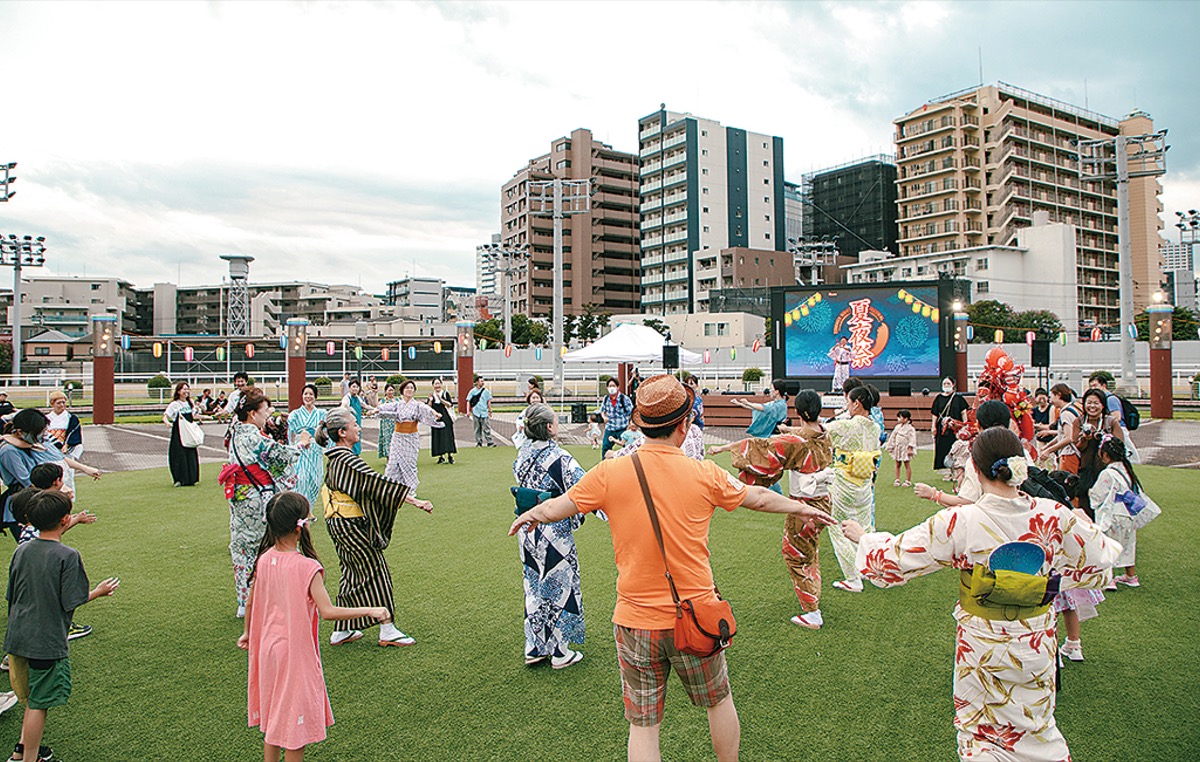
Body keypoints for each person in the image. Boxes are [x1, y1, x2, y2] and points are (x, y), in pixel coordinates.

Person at [509, 374, 836, 762]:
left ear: (640, 425)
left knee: (644, 725)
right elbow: (760, 498)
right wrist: (803, 506)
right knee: (718, 702)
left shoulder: (609, 473)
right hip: (695, 615)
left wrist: (529, 514)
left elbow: (555, 507)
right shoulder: (703, 474)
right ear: (684, 425)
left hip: (633, 621)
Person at [842, 427, 1121, 761]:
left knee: (980, 733)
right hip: (1036, 641)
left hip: (981, 645)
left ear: (973, 469)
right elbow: (1100, 563)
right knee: (1037, 727)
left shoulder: (962, 520)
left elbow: (892, 559)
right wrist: (1074, 537)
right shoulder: (1054, 515)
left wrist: (863, 538)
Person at [238, 491, 391, 762]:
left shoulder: (264, 560)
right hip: (294, 656)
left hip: (267, 651)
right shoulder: (306, 566)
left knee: (274, 720)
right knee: (295, 733)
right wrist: (373, 610)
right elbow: (329, 611)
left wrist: (248, 634)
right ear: (300, 527)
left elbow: (250, 604)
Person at [5, 490, 118, 762]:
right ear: (66, 519)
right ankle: (31, 758)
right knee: (39, 704)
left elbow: (12, 594)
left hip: (17, 636)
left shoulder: (22, 550)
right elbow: (73, 600)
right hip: (45, 641)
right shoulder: (67, 556)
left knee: (32, 698)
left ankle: (21, 751)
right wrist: (99, 591)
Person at [711, 389, 834, 630]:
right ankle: (813, 595)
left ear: (797, 412)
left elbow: (759, 448)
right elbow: (800, 436)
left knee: (795, 555)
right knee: (810, 552)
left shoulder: (796, 441)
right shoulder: (824, 434)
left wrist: (724, 449)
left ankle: (812, 611)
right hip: (823, 501)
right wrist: (789, 431)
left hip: (804, 506)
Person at [316, 407, 432, 647]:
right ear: (342, 432)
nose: (358, 428)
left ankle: (342, 631)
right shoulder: (347, 460)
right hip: (350, 524)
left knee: (352, 572)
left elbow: (372, 486)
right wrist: (415, 501)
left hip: (338, 523)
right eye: (354, 425)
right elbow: (379, 484)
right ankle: (387, 627)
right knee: (376, 570)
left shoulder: (338, 458)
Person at [218, 389, 311, 618]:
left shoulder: (235, 431)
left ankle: (244, 598)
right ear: (251, 414)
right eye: (263, 410)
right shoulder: (252, 436)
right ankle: (268, 597)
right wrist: (301, 444)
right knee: (265, 544)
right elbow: (280, 454)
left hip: (239, 495)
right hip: (256, 497)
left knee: (241, 546)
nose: (266, 414)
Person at [513, 404, 589, 668]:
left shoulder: (521, 454)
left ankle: (535, 646)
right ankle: (559, 651)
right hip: (554, 529)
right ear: (549, 427)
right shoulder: (561, 458)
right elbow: (585, 489)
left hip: (527, 529)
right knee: (560, 585)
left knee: (533, 586)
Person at [0, 410, 101, 545]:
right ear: (20, 432)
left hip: (39, 498)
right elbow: (27, 480)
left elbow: (59, 458)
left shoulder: (35, 443)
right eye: (39, 431)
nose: (43, 435)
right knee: (34, 545)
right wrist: (57, 491)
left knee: (48, 538)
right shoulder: (9, 451)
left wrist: (85, 469)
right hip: (23, 503)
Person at [824, 384, 881, 593]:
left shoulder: (846, 425)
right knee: (864, 529)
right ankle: (872, 568)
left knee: (838, 528)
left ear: (857, 404)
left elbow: (819, 432)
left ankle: (852, 577)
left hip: (844, 484)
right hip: (864, 485)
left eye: (848, 402)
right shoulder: (875, 428)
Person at [1091, 436, 1151, 590]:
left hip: (1113, 514)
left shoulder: (1108, 473)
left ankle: (1109, 578)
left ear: (1105, 455)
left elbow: (1098, 495)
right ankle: (1130, 575)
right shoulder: (1126, 470)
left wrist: (1091, 496)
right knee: (1128, 544)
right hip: (1128, 513)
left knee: (1108, 544)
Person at [377, 380, 443, 495]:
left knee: (409, 463)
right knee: (393, 463)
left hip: (411, 437)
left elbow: (426, 408)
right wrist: (374, 410)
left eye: (412, 388)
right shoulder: (397, 404)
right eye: (407, 388)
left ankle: (410, 489)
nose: (409, 390)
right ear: (402, 391)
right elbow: (384, 407)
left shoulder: (417, 405)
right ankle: (392, 488)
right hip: (398, 437)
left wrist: (434, 413)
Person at [1073, 388, 1123, 519]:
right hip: (1086, 468)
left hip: (1107, 469)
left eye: (1096, 403)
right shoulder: (1079, 421)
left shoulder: (1110, 422)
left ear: (1103, 405)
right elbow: (1078, 446)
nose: (1092, 406)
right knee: (1085, 501)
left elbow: (1119, 445)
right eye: (1089, 403)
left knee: (1108, 500)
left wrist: (1105, 438)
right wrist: (1084, 438)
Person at [288, 384, 327, 510]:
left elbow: (326, 432)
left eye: (311, 394)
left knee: (315, 481)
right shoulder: (295, 414)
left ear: (315, 397)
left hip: (315, 449)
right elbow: (291, 433)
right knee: (302, 479)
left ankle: (309, 509)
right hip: (301, 449)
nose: (308, 396)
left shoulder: (321, 414)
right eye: (305, 394)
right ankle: (302, 510)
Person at [164, 382, 203, 488]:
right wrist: (167, 422)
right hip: (178, 433)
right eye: (183, 389)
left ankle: (191, 478)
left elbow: (193, 416)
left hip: (188, 432)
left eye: (187, 389)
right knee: (178, 455)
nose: (186, 391)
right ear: (178, 391)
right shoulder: (175, 404)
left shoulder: (190, 403)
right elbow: (166, 415)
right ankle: (179, 479)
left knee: (190, 454)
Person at [931, 377, 968, 479]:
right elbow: (934, 414)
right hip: (942, 429)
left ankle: (957, 471)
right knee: (943, 448)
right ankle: (947, 471)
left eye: (948, 383)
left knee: (956, 449)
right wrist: (933, 427)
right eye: (944, 383)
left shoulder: (958, 398)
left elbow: (963, 412)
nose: (946, 385)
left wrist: (965, 425)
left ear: (953, 384)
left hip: (956, 428)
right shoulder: (938, 398)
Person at [1040, 384, 1081, 474]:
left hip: (1069, 454)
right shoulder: (1071, 409)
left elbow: (1068, 437)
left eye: (1051, 397)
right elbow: (1061, 434)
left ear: (1058, 395)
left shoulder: (1065, 413)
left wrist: (1049, 450)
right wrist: (1048, 446)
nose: (1050, 401)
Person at [599, 377, 634, 458]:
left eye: (613, 386)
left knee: (628, 448)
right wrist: (604, 417)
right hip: (610, 428)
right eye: (610, 386)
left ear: (618, 387)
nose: (612, 388)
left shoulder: (624, 399)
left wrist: (630, 426)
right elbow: (602, 411)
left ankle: (628, 464)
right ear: (607, 388)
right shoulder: (606, 399)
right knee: (605, 448)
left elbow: (632, 413)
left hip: (622, 428)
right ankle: (605, 466)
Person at [339, 379, 374, 456]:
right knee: (350, 440)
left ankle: (356, 456)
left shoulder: (358, 398)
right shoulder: (347, 398)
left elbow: (364, 405)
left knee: (357, 439)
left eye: (357, 387)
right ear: (349, 388)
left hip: (357, 423)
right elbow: (344, 406)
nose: (355, 389)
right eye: (353, 386)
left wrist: (374, 409)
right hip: (349, 424)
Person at [44, 392, 82, 462]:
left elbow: (73, 432)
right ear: (52, 404)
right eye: (58, 403)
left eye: (63, 402)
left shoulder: (71, 418)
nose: (62, 405)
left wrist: (67, 445)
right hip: (50, 449)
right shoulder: (46, 419)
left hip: (65, 449)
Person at [427, 378, 457, 465]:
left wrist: (441, 399)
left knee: (447, 436)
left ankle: (450, 455)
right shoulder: (431, 395)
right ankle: (441, 456)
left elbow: (450, 404)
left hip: (446, 418)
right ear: (433, 386)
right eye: (435, 384)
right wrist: (431, 400)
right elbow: (428, 408)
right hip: (436, 419)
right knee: (437, 436)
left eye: (438, 383)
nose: (437, 386)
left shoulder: (445, 393)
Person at [885, 409, 917, 487]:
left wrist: (910, 448)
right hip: (898, 447)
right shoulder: (897, 427)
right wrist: (890, 445)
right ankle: (897, 479)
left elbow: (912, 438)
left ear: (906, 419)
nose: (898, 419)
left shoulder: (910, 428)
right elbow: (893, 436)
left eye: (900, 417)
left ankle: (908, 480)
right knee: (897, 463)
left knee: (906, 464)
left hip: (905, 448)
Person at [468, 375, 495, 448]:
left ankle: (490, 442)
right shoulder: (472, 391)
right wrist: (468, 411)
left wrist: (490, 410)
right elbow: (468, 401)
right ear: (477, 382)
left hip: (484, 412)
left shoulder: (486, 391)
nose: (482, 382)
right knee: (477, 428)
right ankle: (478, 442)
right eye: (481, 381)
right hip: (476, 412)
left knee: (486, 428)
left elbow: (488, 401)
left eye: (483, 381)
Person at [377, 384, 396, 459]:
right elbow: (378, 409)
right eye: (389, 390)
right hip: (386, 424)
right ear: (385, 391)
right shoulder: (382, 401)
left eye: (392, 390)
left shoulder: (397, 400)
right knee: (387, 439)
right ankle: (388, 456)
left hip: (395, 423)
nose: (391, 392)